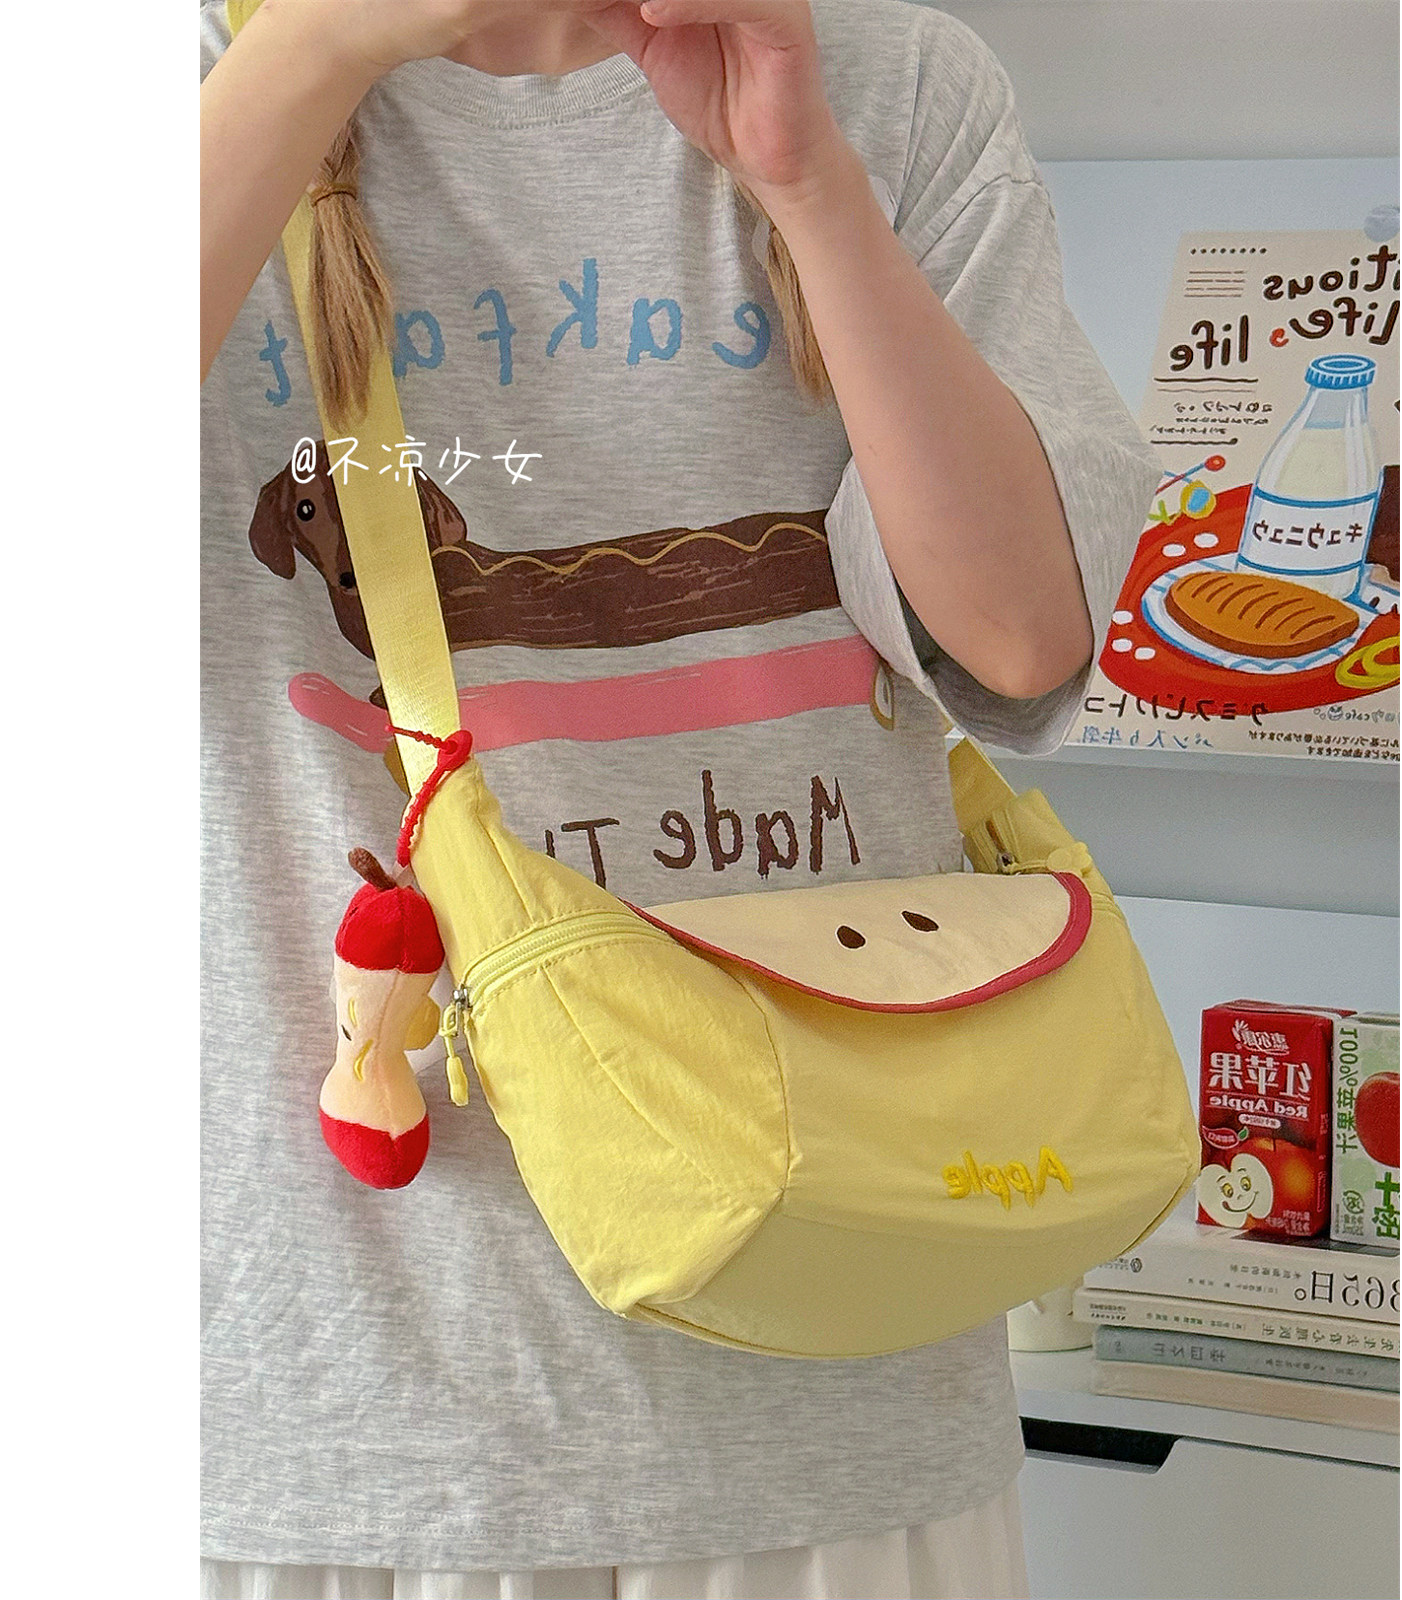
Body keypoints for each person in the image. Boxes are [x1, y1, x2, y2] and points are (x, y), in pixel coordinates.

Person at [199, 2, 1158, 1595]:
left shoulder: (893, 82)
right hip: (327, 1416)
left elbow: (1016, 633)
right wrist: (315, 53)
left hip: (838, 1393)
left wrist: (807, 181)